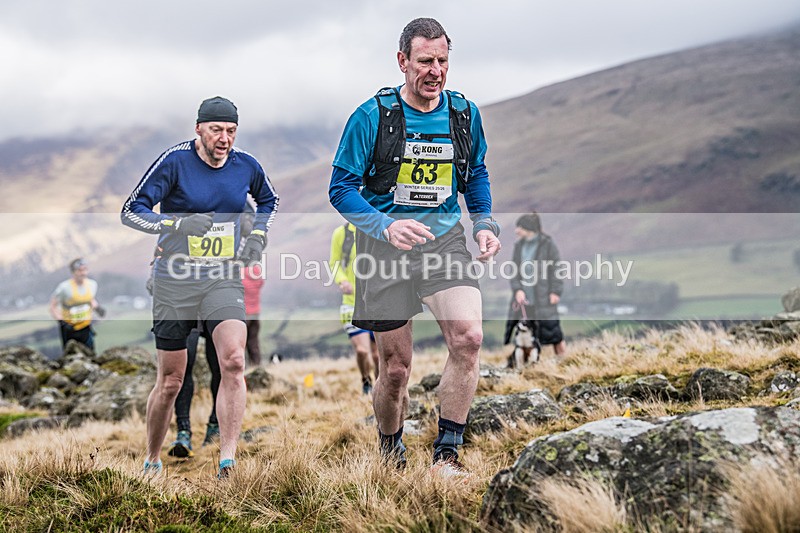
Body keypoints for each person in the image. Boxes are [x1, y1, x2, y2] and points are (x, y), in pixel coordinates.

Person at [329, 18, 501, 474]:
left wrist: (483, 222)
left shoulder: (464, 115)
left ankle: (447, 454)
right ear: (402, 61)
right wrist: (385, 226)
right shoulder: (372, 117)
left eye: (442, 61)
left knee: (469, 338)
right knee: (396, 369)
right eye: (425, 61)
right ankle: (391, 451)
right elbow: (340, 189)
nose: (435, 71)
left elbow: (475, 174)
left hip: (443, 241)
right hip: (384, 249)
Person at [121, 96, 279, 478]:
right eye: (216, 130)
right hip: (175, 280)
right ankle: (152, 458)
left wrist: (258, 236)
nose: (224, 138)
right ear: (199, 129)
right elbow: (131, 211)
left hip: (222, 276)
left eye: (231, 131)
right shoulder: (175, 162)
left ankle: (227, 460)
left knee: (234, 361)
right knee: (171, 380)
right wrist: (176, 224)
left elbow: (269, 201)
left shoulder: (246, 165)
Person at [504, 212, 567, 356]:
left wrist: (556, 291)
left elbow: (557, 269)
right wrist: (518, 290)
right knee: (526, 334)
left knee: (554, 332)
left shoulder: (547, 244)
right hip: (525, 300)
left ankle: (564, 360)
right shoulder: (519, 246)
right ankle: (531, 364)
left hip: (544, 297)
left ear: (528, 228)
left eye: (519, 227)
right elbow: (514, 271)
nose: (516, 231)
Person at [330, 221, 379, 395]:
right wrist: (342, 280)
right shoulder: (342, 233)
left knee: (377, 355)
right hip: (351, 303)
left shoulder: (378, 227)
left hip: (378, 303)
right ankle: (366, 380)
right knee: (362, 350)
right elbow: (334, 263)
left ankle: (381, 389)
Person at [49, 258, 105, 352]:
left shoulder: (92, 284)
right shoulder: (64, 288)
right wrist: (61, 321)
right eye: (79, 270)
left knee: (90, 355)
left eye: (85, 269)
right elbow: (53, 306)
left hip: (85, 327)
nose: (83, 273)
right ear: (73, 272)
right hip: (69, 329)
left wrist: (98, 308)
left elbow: (90, 299)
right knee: (71, 356)